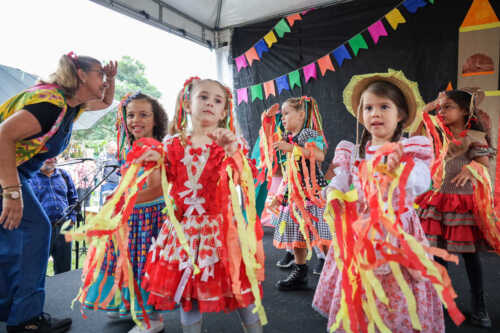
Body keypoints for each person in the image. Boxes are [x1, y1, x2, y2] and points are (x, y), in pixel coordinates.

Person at [313, 70, 447, 332]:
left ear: (401, 116)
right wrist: (332, 193)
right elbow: (342, 180)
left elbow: (421, 182)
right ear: (361, 116)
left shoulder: (411, 150)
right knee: (361, 293)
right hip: (361, 237)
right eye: (369, 108)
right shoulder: (354, 153)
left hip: (398, 236)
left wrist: (400, 171)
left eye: (384, 106)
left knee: (397, 298)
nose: (375, 113)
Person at [138, 78, 266, 333]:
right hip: (183, 236)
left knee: (241, 289)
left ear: (224, 111)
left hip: (224, 235)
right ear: (187, 104)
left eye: (217, 100)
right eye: (203, 97)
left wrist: (233, 152)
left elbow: (247, 183)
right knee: (190, 295)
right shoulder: (171, 146)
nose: (210, 103)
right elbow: (156, 186)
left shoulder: (231, 144)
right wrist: (145, 168)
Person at [0, 52, 116, 333]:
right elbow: (3, 135)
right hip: (8, 173)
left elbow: (105, 101)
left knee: (14, 239)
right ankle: (25, 319)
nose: (102, 81)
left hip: (17, 173)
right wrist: (12, 193)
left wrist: (111, 80)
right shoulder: (49, 104)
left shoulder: (71, 105)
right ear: (80, 75)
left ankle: (14, 310)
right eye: (99, 74)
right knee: (36, 230)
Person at [82, 92, 169, 333]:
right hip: (133, 217)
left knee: (143, 266)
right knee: (128, 262)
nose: (135, 120)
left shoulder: (153, 148)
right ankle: (130, 305)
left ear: (155, 120)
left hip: (147, 218)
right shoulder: (136, 147)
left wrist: (122, 198)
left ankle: (152, 318)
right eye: (131, 115)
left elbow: (157, 189)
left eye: (143, 114)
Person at [417, 89, 495, 328]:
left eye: (448, 107)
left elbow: (484, 165)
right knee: (438, 254)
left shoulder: (474, 136)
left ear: (464, 111)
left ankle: (479, 306)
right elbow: (415, 131)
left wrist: (470, 168)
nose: (442, 111)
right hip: (437, 199)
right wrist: (432, 105)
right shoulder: (437, 133)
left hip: (461, 203)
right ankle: (441, 298)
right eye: (441, 108)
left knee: (471, 257)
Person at [266, 96, 331, 290]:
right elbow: (288, 172)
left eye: (287, 113)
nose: (283, 118)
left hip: (312, 193)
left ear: (301, 114)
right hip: (294, 194)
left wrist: (292, 148)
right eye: (282, 115)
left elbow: (320, 155)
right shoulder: (287, 138)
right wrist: (279, 195)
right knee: (296, 235)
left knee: (322, 233)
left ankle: (333, 268)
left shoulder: (309, 133)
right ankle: (300, 270)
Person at [28, 157, 78, 274]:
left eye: (53, 155)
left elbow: (74, 199)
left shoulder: (64, 175)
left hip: (65, 228)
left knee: (64, 269)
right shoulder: (30, 178)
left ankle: (62, 292)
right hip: (41, 231)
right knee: (38, 271)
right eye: (46, 156)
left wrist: (72, 218)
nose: (50, 159)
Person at [99, 142, 120, 206]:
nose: (114, 151)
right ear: (108, 148)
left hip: (117, 183)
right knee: (105, 203)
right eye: (112, 149)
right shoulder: (103, 155)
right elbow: (98, 169)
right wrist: (101, 180)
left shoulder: (117, 155)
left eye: (115, 149)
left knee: (115, 203)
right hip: (107, 183)